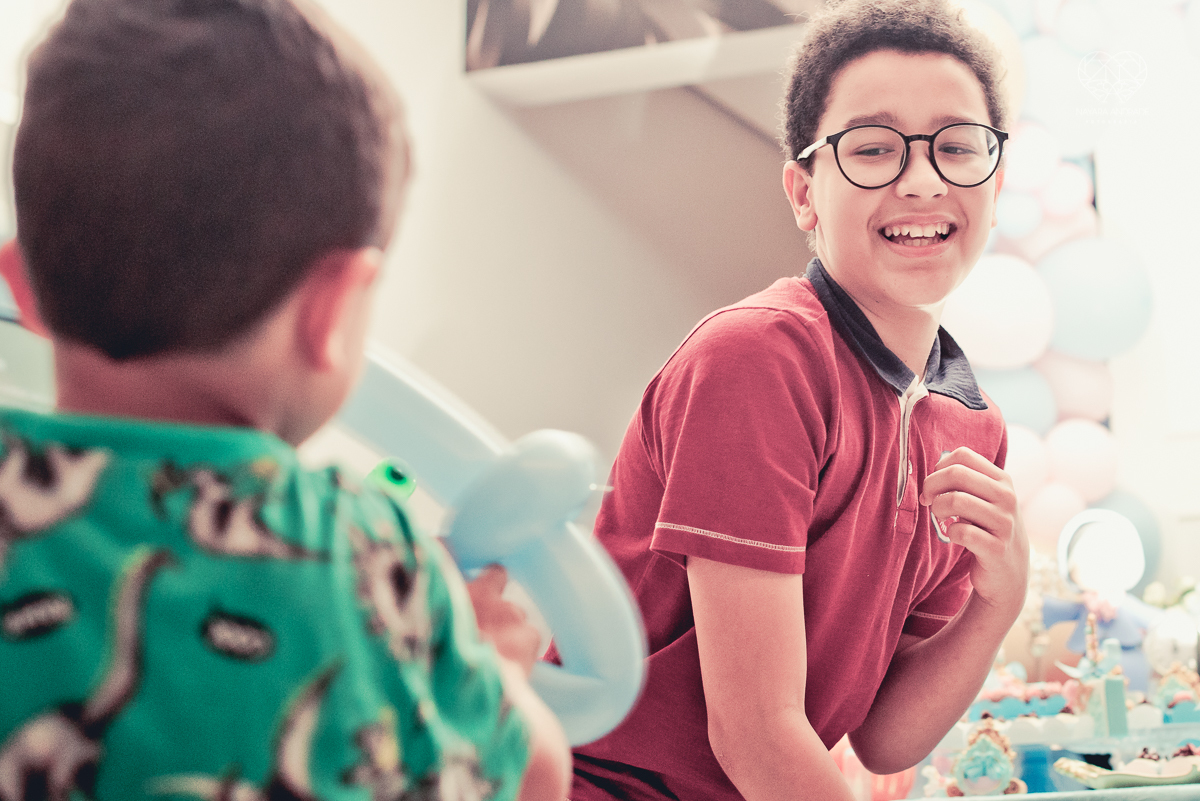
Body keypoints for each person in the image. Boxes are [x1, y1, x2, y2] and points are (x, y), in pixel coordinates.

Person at [0, 1, 570, 800]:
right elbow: (539, 775)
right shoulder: (376, 555)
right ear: (331, 310)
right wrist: (485, 667)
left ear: (24, 286)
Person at [568, 1, 1029, 799]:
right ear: (804, 192)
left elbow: (885, 737)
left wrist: (1000, 601)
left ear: (996, 181)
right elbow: (755, 735)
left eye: (958, 147)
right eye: (874, 148)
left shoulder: (973, 424)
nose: (922, 180)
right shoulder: (759, 359)